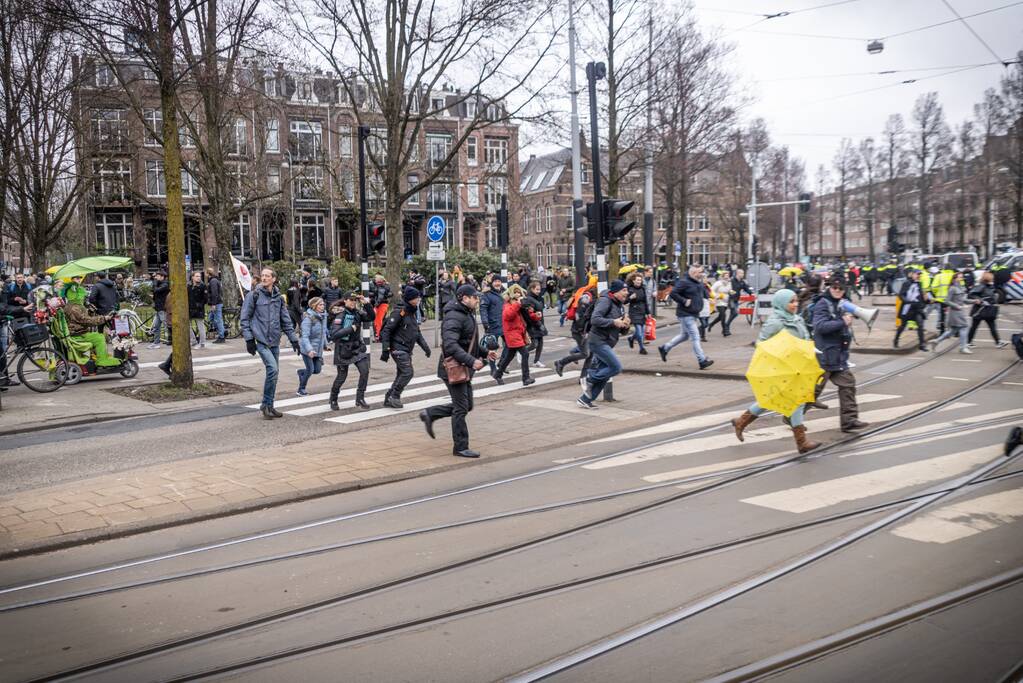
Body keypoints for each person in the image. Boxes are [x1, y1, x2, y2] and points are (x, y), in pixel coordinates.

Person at [731, 289, 821, 454]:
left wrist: (811, 349)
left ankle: (741, 422)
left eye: (796, 301)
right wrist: (782, 351)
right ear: (781, 303)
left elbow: (805, 339)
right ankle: (801, 442)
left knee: (781, 399)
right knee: (790, 400)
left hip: (798, 366)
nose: (795, 305)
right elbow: (762, 344)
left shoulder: (797, 319)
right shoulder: (775, 322)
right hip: (782, 367)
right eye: (791, 302)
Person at [419, 284, 497, 459]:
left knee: (467, 405)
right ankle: (460, 447)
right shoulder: (454, 316)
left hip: (463, 367)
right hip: (453, 368)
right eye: (474, 297)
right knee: (461, 408)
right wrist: (471, 360)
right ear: (464, 298)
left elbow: (468, 342)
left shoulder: (465, 314)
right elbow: (450, 345)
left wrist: (484, 353)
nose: (477, 299)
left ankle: (430, 413)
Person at [241, 267, 300, 420]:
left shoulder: (279, 298)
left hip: (275, 340)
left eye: (267, 276)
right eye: (263, 276)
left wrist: (293, 339)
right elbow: (245, 319)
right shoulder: (253, 295)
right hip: (261, 340)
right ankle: (265, 404)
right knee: (273, 370)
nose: (264, 278)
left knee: (274, 374)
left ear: (274, 279)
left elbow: (285, 320)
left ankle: (269, 405)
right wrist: (249, 339)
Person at [813, 277, 869, 433]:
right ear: (829, 287)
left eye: (841, 288)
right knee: (813, 391)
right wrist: (842, 322)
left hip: (838, 356)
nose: (838, 290)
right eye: (835, 287)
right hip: (824, 355)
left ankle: (849, 421)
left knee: (848, 385)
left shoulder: (843, 303)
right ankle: (792, 416)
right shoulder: (822, 304)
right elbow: (820, 326)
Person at [577, 279, 630, 409]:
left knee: (606, 375)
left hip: (607, 341)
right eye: (624, 290)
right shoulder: (605, 301)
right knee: (616, 367)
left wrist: (626, 325)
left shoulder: (619, 305)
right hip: (598, 340)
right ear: (616, 291)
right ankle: (588, 379)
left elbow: (620, 328)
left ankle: (585, 399)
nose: (627, 293)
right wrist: (613, 322)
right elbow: (595, 319)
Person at [380, 285, 431, 408]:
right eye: (416, 298)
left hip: (406, 349)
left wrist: (426, 348)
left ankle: (389, 397)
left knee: (401, 374)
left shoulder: (412, 312)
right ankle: (395, 396)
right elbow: (386, 331)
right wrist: (386, 349)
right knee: (408, 372)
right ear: (409, 299)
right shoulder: (399, 312)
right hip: (398, 348)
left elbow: (417, 333)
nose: (418, 299)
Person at [657, 264, 714, 370]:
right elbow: (673, 293)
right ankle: (702, 360)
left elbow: (702, 292)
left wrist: (709, 298)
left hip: (693, 313)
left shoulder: (699, 282)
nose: (702, 274)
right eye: (700, 272)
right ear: (693, 273)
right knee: (695, 337)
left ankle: (665, 348)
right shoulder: (684, 282)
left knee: (684, 335)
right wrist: (684, 301)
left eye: (702, 272)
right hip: (686, 314)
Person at [328, 292, 375, 410]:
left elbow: (371, 317)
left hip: (356, 347)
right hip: (343, 349)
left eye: (355, 300)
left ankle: (360, 398)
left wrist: (366, 304)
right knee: (342, 377)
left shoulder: (358, 313)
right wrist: (350, 328)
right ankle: (333, 398)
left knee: (365, 371)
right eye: (351, 299)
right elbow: (334, 335)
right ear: (345, 301)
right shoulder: (340, 315)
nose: (353, 302)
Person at [62, 281, 122, 368]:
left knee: (97, 335)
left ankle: (99, 355)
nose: (83, 298)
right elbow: (86, 320)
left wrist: (90, 311)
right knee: (99, 337)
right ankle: (102, 360)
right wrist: (104, 318)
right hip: (78, 334)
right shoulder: (74, 308)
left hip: (77, 332)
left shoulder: (72, 306)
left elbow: (82, 318)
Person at [492, 284, 538, 386]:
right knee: (525, 354)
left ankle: (498, 374)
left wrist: (536, 316)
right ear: (512, 294)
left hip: (517, 334)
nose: (518, 294)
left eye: (519, 292)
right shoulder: (508, 305)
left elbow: (526, 316)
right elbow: (508, 315)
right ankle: (525, 378)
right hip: (512, 335)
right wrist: (518, 303)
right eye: (516, 292)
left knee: (509, 356)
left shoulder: (518, 305)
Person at [553, 288, 594, 380]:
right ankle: (561, 362)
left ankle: (584, 377)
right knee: (586, 354)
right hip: (579, 331)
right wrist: (583, 331)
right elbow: (580, 317)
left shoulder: (591, 298)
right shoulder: (586, 297)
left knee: (590, 353)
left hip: (583, 331)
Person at [967, 270, 1009, 348]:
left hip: (988, 310)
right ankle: (968, 342)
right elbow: (971, 294)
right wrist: (980, 300)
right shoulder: (981, 286)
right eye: (991, 278)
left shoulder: (991, 286)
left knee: (992, 326)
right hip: (979, 310)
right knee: (974, 327)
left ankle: (998, 342)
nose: (993, 280)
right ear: (987, 279)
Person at [931, 271, 971, 354]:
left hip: (958, 312)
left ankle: (936, 341)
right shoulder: (952, 288)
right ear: (954, 279)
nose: (961, 279)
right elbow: (946, 301)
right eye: (959, 277)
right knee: (964, 327)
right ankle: (963, 348)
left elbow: (963, 300)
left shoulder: (960, 287)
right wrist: (957, 306)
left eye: (962, 277)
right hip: (956, 312)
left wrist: (974, 301)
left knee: (952, 331)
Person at [296, 297, 327, 396]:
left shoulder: (323, 316)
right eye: (320, 305)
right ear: (314, 306)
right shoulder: (308, 318)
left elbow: (323, 333)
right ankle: (301, 389)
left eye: (323, 304)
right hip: (307, 349)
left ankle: (301, 372)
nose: (323, 306)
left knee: (317, 370)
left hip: (317, 348)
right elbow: (304, 336)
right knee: (310, 369)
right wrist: (309, 350)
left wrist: (325, 345)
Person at [894, 268, 928, 352]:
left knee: (920, 325)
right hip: (907, 308)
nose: (918, 276)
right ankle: (896, 340)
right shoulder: (906, 283)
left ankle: (922, 344)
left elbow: (920, 295)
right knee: (902, 326)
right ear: (912, 274)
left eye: (919, 274)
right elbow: (901, 295)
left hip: (916, 308)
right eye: (917, 274)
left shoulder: (919, 284)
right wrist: (907, 301)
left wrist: (926, 300)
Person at [479, 276, 505, 373]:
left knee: (509, 346)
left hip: (505, 324)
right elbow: (483, 309)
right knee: (492, 347)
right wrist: (485, 323)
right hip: (492, 325)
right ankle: (493, 369)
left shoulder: (504, 293)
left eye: (499, 281)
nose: (497, 283)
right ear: (492, 283)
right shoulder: (487, 294)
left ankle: (502, 364)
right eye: (495, 281)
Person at [523, 280, 547, 367]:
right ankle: (522, 351)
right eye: (537, 289)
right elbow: (529, 315)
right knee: (534, 344)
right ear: (532, 289)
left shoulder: (538, 298)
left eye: (539, 289)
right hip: (533, 325)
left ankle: (536, 361)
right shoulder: (529, 299)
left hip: (539, 323)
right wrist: (538, 324)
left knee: (540, 343)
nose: (539, 291)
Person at [625, 271, 649, 354]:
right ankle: (642, 348)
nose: (639, 281)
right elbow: (624, 301)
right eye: (638, 280)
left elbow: (645, 301)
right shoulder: (629, 289)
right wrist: (630, 298)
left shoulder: (643, 289)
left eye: (640, 280)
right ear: (633, 281)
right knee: (639, 331)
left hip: (642, 311)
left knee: (641, 331)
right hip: (634, 311)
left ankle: (631, 338)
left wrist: (648, 313)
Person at [726, 269, 753, 335]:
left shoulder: (742, 282)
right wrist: (732, 293)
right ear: (737, 274)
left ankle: (726, 326)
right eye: (742, 273)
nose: (743, 274)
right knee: (735, 312)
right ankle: (726, 327)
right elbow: (728, 289)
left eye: (743, 273)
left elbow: (746, 288)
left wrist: (751, 293)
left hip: (736, 300)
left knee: (734, 313)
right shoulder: (732, 281)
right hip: (731, 299)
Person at [706, 272, 733, 337]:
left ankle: (711, 324)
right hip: (718, 302)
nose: (727, 277)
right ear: (722, 276)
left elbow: (730, 291)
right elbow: (711, 290)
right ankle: (725, 331)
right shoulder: (718, 283)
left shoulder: (729, 283)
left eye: (728, 276)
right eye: (725, 276)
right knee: (723, 315)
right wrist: (718, 296)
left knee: (720, 316)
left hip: (726, 302)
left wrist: (733, 293)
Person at [187, 270, 208, 348]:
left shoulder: (203, 286)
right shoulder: (189, 286)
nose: (199, 278)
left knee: (200, 326)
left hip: (199, 309)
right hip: (190, 308)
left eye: (199, 276)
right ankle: (193, 340)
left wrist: (199, 304)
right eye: (197, 276)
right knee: (187, 325)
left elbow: (205, 299)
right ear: (192, 277)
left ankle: (202, 343)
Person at [149, 271, 169, 349]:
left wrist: (154, 283)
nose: (156, 278)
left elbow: (156, 290)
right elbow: (156, 293)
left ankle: (171, 340)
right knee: (156, 326)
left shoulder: (165, 284)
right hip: (158, 308)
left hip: (162, 308)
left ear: (162, 277)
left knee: (166, 325)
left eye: (157, 276)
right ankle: (156, 343)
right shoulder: (159, 284)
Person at [369, 273, 391, 340]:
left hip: (381, 305)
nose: (374, 280)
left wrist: (376, 305)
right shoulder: (382, 285)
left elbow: (380, 297)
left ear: (379, 280)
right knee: (379, 321)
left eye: (375, 279)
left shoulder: (381, 286)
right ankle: (379, 336)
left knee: (378, 321)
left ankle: (378, 336)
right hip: (382, 304)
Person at [206, 268, 225, 343]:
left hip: (216, 303)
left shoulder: (213, 281)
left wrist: (213, 304)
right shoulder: (214, 280)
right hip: (215, 303)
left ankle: (221, 336)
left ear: (208, 273)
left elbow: (214, 293)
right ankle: (223, 331)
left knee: (218, 320)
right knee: (211, 318)